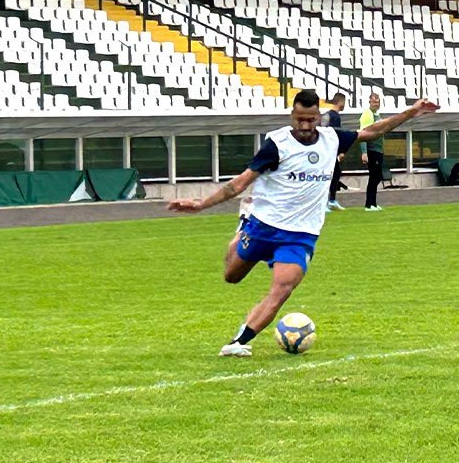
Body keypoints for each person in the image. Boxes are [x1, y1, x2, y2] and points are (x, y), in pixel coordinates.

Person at [168, 91, 438, 356]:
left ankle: (239, 341)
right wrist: (201, 204)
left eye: (311, 119)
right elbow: (239, 183)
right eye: (300, 119)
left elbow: (373, 131)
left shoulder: (332, 139)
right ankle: (242, 228)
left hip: (301, 234)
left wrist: (412, 111)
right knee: (232, 276)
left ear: (319, 117)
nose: (306, 126)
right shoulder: (276, 144)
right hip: (264, 225)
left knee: (283, 287)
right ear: (292, 117)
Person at [358, 92, 388, 210]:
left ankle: (373, 203)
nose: (376, 104)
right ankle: (369, 204)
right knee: (374, 176)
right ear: (369, 102)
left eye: (377, 102)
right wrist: (364, 152)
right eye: (374, 102)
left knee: (377, 176)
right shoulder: (367, 115)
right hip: (372, 149)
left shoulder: (378, 115)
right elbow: (363, 133)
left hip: (378, 149)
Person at [323, 92, 348, 211]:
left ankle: (331, 200)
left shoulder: (327, 115)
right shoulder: (335, 117)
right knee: (332, 174)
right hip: (330, 150)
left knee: (335, 173)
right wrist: (340, 151)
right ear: (341, 102)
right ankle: (327, 201)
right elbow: (336, 135)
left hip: (326, 149)